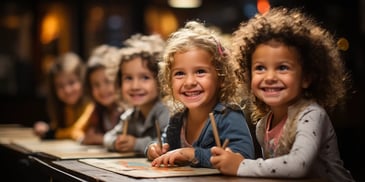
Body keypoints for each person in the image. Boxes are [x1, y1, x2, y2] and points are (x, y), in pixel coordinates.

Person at [210, 7, 355, 182]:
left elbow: (297, 166)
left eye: (282, 67)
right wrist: (232, 162)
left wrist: (241, 166)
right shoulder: (263, 126)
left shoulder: (311, 115)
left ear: (306, 77)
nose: (270, 77)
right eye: (260, 68)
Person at [147, 20, 255, 168]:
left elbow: (242, 157)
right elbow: (164, 145)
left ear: (221, 77)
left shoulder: (228, 116)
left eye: (200, 71)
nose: (189, 82)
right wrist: (153, 149)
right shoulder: (177, 119)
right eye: (179, 73)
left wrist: (192, 154)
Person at [103, 34, 170, 154]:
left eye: (145, 77)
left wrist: (136, 144)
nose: (135, 86)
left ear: (161, 79)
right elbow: (108, 136)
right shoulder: (130, 116)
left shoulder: (165, 112)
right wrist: (116, 142)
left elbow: (169, 143)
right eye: (128, 78)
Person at [33, 52, 94, 141]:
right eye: (60, 86)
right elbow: (61, 128)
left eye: (72, 82)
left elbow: (76, 131)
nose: (67, 90)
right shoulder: (65, 108)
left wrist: (51, 133)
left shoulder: (91, 105)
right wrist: (48, 127)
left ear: (83, 81)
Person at [81, 44, 125, 145]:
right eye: (96, 85)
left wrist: (100, 138)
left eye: (108, 81)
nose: (102, 89)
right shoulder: (97, 111)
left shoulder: (129, 111)